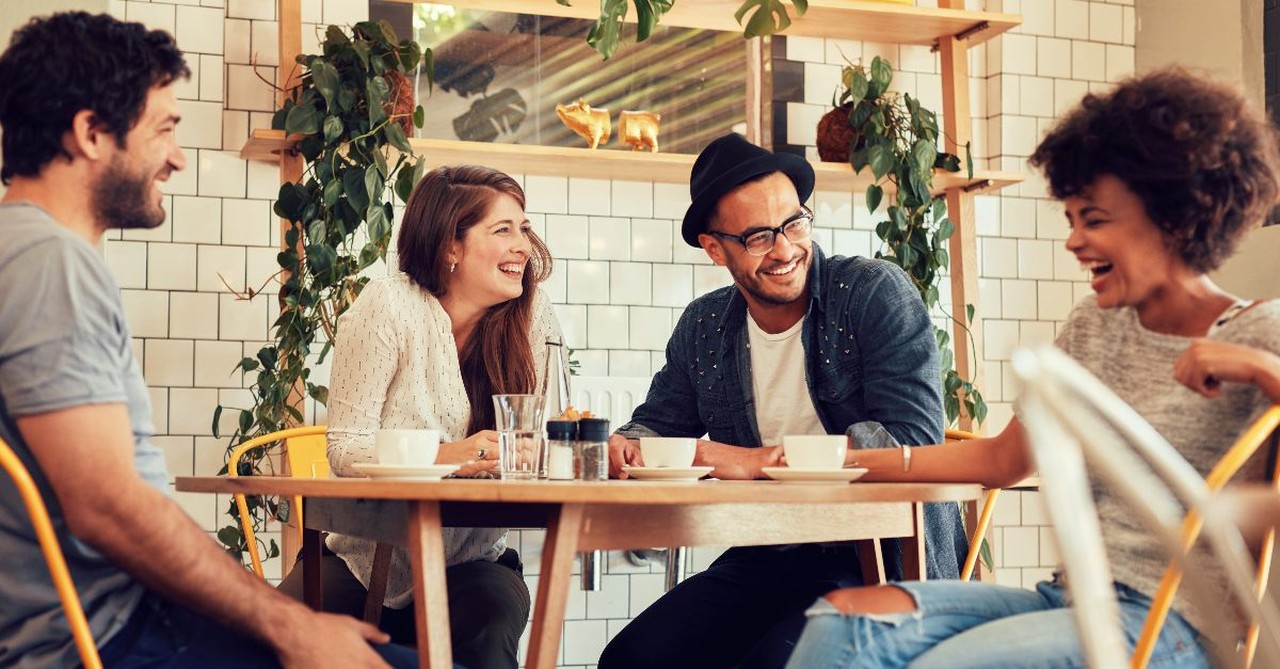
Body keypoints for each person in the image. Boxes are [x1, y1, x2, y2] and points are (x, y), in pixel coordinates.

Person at [783, 68, 1280, 669]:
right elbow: (1000, 461)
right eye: (1071, 220)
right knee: (843, 625)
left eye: (1094, 220)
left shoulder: (1261, 333)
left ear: (1173, 216)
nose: (1073, 242)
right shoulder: (1095, 328)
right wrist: (837, 461)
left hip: (1171, 627)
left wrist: (1259, 368)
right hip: (1069, 599)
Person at [0, 12, 417, 669]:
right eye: (164, 127)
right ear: (89, 132)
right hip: (115, 635)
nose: (177, 156)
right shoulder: (50, 263)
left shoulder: (20, 252)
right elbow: (106, 506)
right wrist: (292, 626)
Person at [597, 133, 969, 669]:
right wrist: (625, 446)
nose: (786, 249)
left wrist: (748, 463)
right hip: (768, 552)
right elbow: (656, 425)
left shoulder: (871, 294)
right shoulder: (705, 325)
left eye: (794, 223)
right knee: (634, 658)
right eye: (758, 236)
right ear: (714, 247)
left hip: (877, 557)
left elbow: (912, 442)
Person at [278, 164, 562, 669]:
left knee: (491, 628)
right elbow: (344, 448)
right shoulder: (388, 305)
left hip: (474, 562)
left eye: (524, 228)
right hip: (364, 558)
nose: (523, 244)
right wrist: (452, 456)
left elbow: (545, 444)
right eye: (503, 230)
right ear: (449, 246)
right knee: (277, 635)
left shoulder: (532, 317)